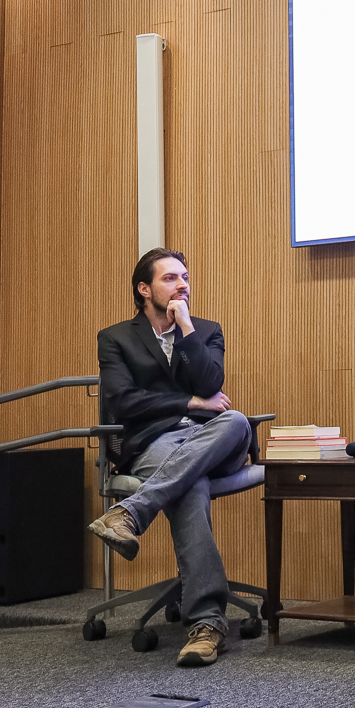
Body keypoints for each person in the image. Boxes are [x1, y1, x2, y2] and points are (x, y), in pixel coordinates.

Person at [88, 248, 254, 668]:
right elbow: (123, 402)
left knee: (236, 420)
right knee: (190, 485)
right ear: (144, 289)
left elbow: (212, 383)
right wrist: (190, 401)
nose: (182, 285)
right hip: (155, 441)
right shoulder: (116, 338)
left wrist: (186, 329)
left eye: (185, 277)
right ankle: (207, 623)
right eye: (170, 278)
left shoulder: (206, 331)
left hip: (213, 439)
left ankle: (130, 513)